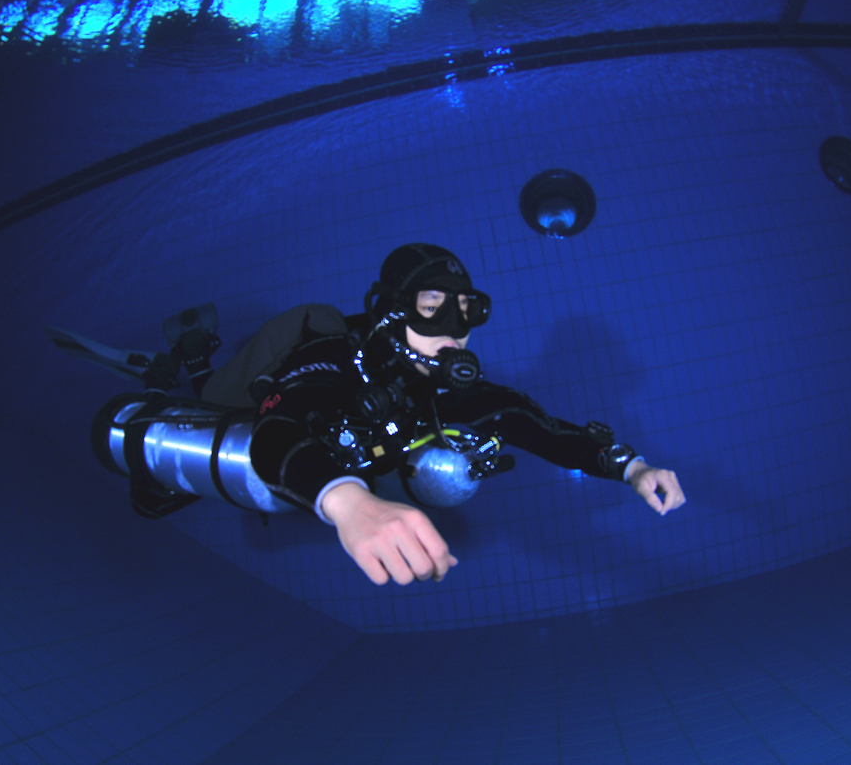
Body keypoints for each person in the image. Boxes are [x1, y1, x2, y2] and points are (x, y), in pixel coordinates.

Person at [220, 244, 685, 586]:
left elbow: (539, 428)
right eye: (431, 307)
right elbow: (276, 431)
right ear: (392, 310)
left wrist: (631, 468)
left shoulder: (442, 388)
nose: (456, 330)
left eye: (467, 309)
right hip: (259, 450)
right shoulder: (336, 357)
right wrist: (350, 504)